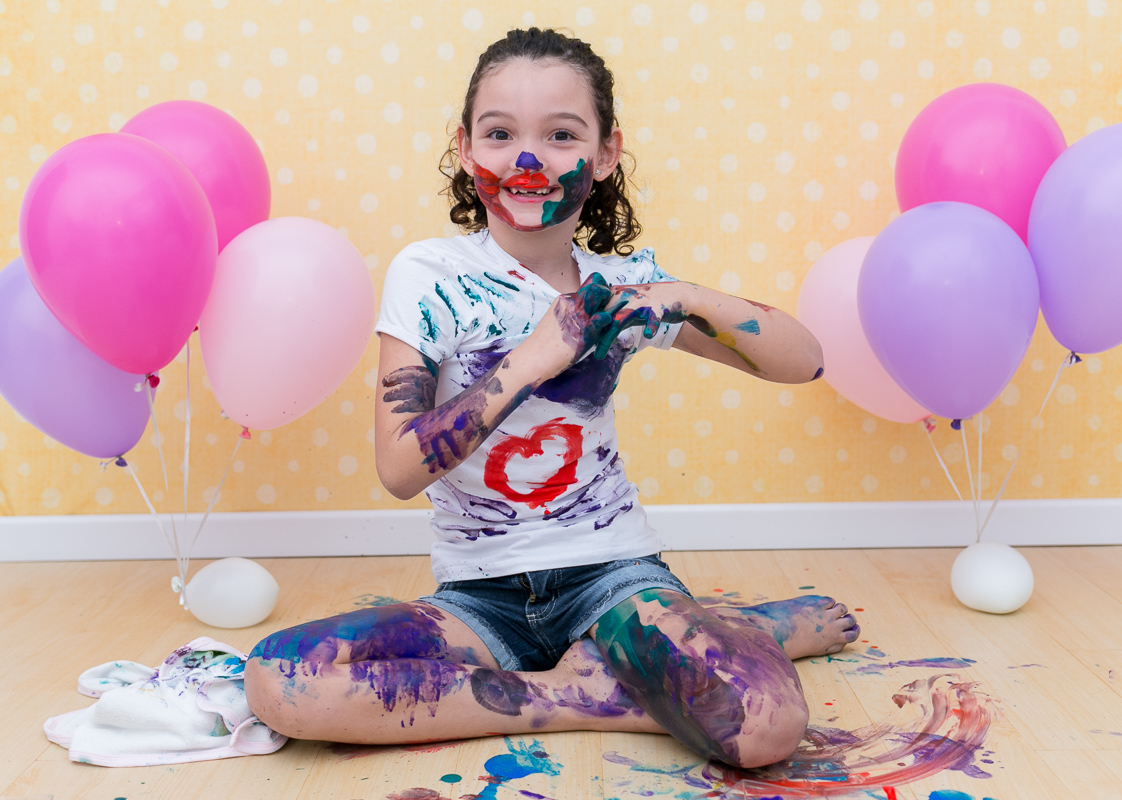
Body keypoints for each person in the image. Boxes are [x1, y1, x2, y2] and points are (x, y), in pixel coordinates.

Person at [245, 27, 858, 770]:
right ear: (467, 148)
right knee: (279, 681)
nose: (526, 159)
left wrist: (680, 294)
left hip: (613, 577)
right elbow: (400, 470)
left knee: (765, 729)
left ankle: (696, 636)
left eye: (560, 134)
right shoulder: (429, 275)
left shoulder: (619, 291)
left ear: (603, 154)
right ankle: (588, 693)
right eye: (499, 133)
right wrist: (534, 356)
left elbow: (804, 363)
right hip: (478, 598)